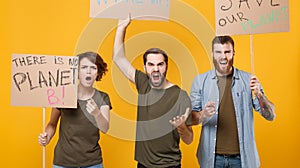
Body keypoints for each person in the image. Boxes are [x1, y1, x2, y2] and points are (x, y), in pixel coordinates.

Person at [113, 15, 193, 168]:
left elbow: (189, 140)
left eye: (160, 64)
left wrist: (182, 126)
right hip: (143, 164)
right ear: (144, 68)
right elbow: (118, 58)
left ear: (166, 66)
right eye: (150, 64)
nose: (155, 69)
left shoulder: (180, 96)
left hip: (169, 165)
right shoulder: (143, 83)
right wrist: (121, 27)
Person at [190, 35, 275, 168]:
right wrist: (204, 114)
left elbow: (270, 116)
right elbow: (191, 119)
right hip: (212, 159)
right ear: (212, 53)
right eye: (218, 52)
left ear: (233, 53)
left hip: (242, 159)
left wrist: (259, 94)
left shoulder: (249, 80)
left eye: (227, 52)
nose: (223, 56)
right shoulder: (200, 81)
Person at [38, 51, 112, 168]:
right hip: (63, 162)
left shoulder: (102, 97)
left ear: (98, 72)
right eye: (84, 67)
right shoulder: (63, 94)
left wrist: (96, 113)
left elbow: (105, 128)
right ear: (76, 72)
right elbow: (52, 124)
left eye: (93, 67)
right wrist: (47, 136)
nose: (88, 71)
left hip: (92, 163)